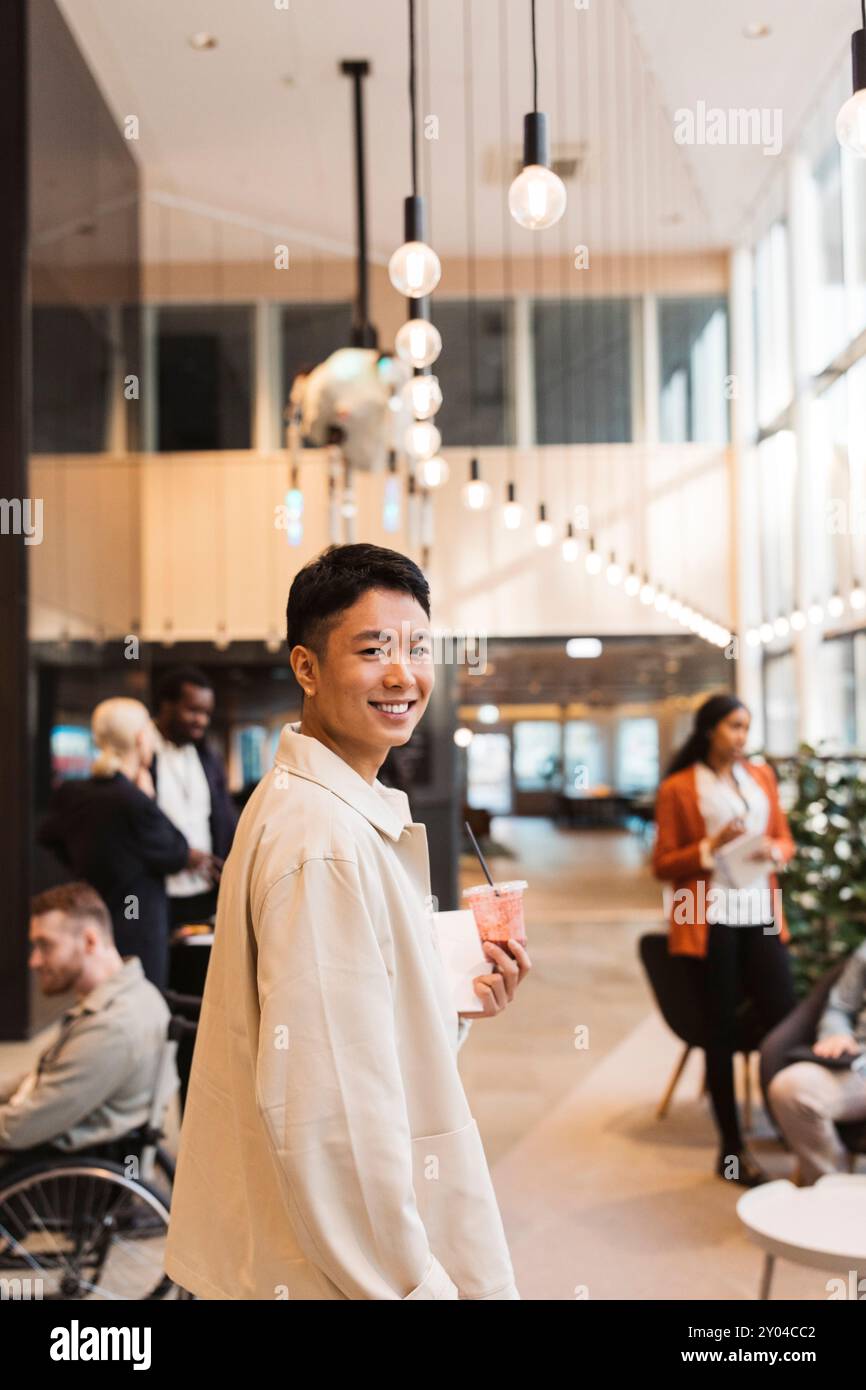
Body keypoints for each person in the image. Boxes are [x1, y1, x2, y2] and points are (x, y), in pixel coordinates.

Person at [166, 543, 530, 1300]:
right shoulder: (321, 842)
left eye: (418, 648)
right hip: (341, 1276)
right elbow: (330, 1115)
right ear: (307, 668)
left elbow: (365, 1032)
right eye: (372, 650)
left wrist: (453, 1001)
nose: (403, 675)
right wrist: (411, 1285)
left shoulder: (319, 807)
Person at [652, 692, 797, 1187]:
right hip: (709, 917)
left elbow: (784, 837)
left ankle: (788, 1121)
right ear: (710, 729)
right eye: (734, 726)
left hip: (760, 913)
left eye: (746, 728)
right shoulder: (678, 787)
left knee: (783, 1020)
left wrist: (774, 850)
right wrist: (710, 848)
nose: (741, 737)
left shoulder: (761, 778)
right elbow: (663, 864)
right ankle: (731, 1150)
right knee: (720, 1032)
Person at [0, 884, 177, 1168]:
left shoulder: (112, 1027)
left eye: (45, 945)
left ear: (90, 941)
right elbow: (50, 1077)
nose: (34, 961)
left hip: (57, 1176)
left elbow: (20, 1128)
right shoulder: (135, 994)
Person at [39, 697, 201, 989]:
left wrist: (80, 863)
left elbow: (48, 836)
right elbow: (176, 852)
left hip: (96, 923)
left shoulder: (74, 793)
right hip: (139, 930)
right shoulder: (133, 800)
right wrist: (149, 798)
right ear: (141, 739)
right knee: (140, 1005)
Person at [768, 941, 866, 1184]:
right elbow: (839, 1007)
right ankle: (832, 1190)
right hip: (859, 1065)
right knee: (790, 1088)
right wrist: (836, 1033)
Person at [151, 666, 237, 929]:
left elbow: (222, 815)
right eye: (193, 711)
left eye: (206, 713)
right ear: (166, 706)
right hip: (158, 893)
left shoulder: (207, 757)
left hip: (205, 891)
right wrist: (180, 855)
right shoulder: (143, 755)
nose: (201, 720)